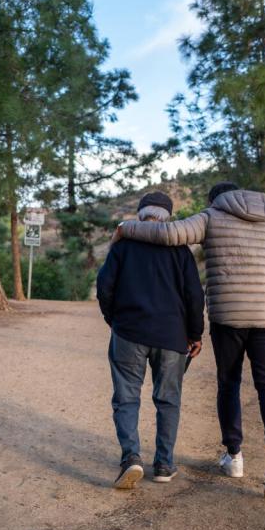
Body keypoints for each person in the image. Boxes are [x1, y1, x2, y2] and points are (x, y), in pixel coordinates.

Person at [116, 182, 265, 500]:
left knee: (229, 383)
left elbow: (168, 234)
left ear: (215, 200)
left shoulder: (212, 216)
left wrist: (126, 227)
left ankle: (234, 456)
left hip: (228, 316)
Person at [96, 191, 205, 489]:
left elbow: (104, 286)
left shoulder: (123, 247)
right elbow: (195, 296)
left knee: (126, 398)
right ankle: (164, 464)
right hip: (172, 337)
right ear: (167, 218)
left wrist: (113, 320)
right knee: (168, 400)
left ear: (141, 214)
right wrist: (196, 334)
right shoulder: (180, 251)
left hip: (129, 332)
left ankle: (131, 457)